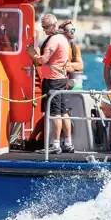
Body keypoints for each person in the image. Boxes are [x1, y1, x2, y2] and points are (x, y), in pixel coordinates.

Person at [31, 13, 75, 154]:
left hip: (53, 81)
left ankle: (55, 145)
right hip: (61, 79)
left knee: (55, 113)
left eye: (46, 27)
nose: (44, 30)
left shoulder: (54, 40)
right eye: (43, 27)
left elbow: (44, 60)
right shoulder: (63, 38)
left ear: (53, 25)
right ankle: (68, 143)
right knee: (64, 112)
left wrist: (33, 55)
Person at [59, 20, 86, 90]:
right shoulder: (58, 46)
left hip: (70, 82)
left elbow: (80, 65)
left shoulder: (74, 47)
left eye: (74, 29)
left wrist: (67, 65)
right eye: (70, 30)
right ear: (63, 32)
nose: (72, 32)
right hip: (59, 81)